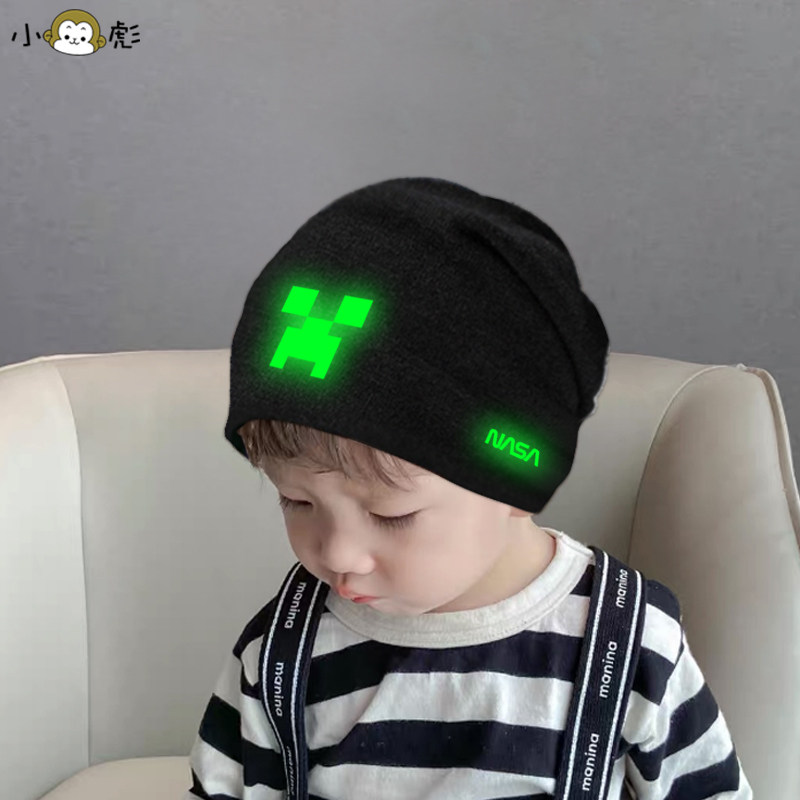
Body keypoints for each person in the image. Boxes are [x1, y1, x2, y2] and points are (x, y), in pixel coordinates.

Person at [184, 176, 752, 799]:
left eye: (391, 513)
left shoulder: (631, 645)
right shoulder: (284, 652)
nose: (338, 553)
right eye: (296, 501)